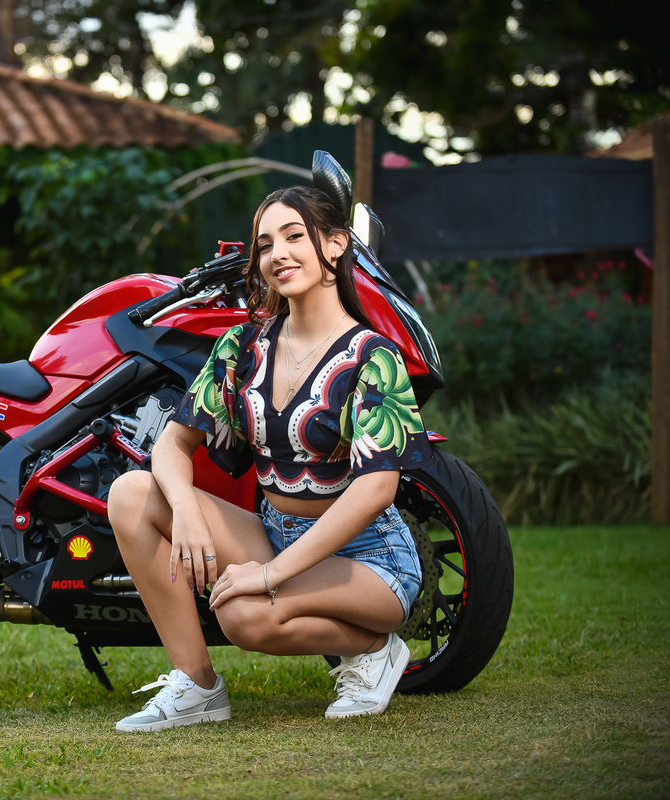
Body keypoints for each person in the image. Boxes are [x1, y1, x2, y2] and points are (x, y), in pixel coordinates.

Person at [107, 186, 430, 732]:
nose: (278, 254)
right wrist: (185, 511)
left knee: (242, 617)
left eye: (294, 236)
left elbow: (377, 488)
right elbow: (172, 444)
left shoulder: (374, 356)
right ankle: (197, 686)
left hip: (371, 560)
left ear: (336, 245)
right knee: (131, 494)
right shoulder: (241, 347)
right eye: (264, 244)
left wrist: (270, 574)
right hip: (277, 531)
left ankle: (375, 649)